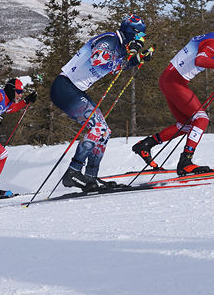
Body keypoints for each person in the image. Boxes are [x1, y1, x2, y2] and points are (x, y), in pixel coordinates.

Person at [132, 17, 214, 176]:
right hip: (175, 82)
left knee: (186, 125)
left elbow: (201, 57)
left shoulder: (211, 38)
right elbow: (200, 60)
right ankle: (186, 162)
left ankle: (146, 145)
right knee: (202, 119)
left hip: (168, 80)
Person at [52, 14, 151, 192]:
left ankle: (90, 176)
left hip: (74, 89)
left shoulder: (120, 46)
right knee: (97, 128)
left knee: (104, 131)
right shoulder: (111, 39)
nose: (141, 39)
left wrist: (135, 60)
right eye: (139, 35)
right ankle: (72, 173)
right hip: (65, 87)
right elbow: (98, 60)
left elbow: (114, 67)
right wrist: (130, 56)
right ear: (130, 32)